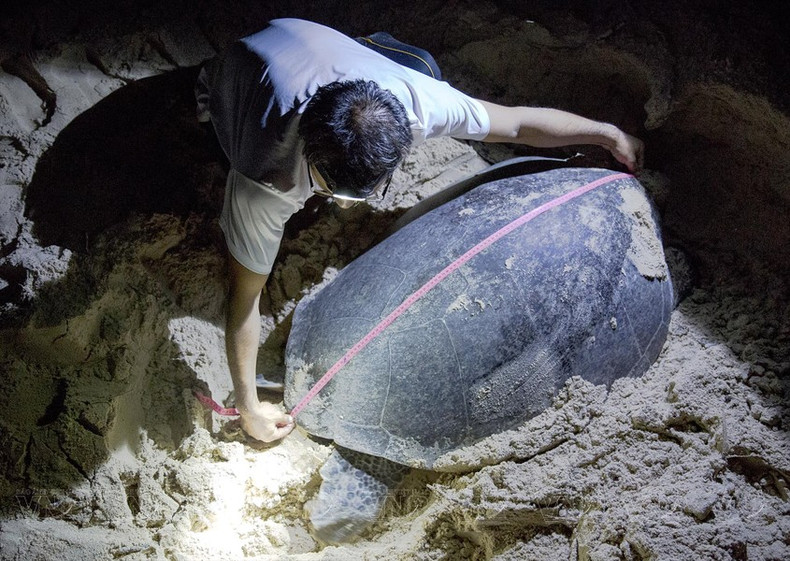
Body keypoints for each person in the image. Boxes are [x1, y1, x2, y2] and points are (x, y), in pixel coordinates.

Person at [195, 18, 644, 443]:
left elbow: (516, 123)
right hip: (241, 69)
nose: (351, 205)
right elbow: (245, 297)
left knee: (425, 65)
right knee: (216, 130)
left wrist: (607, 134)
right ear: (310, 158)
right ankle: (202, 91)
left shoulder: (412, 100)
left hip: (310, 41)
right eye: (335, 191)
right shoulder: (265, 181)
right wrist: (250, 407)